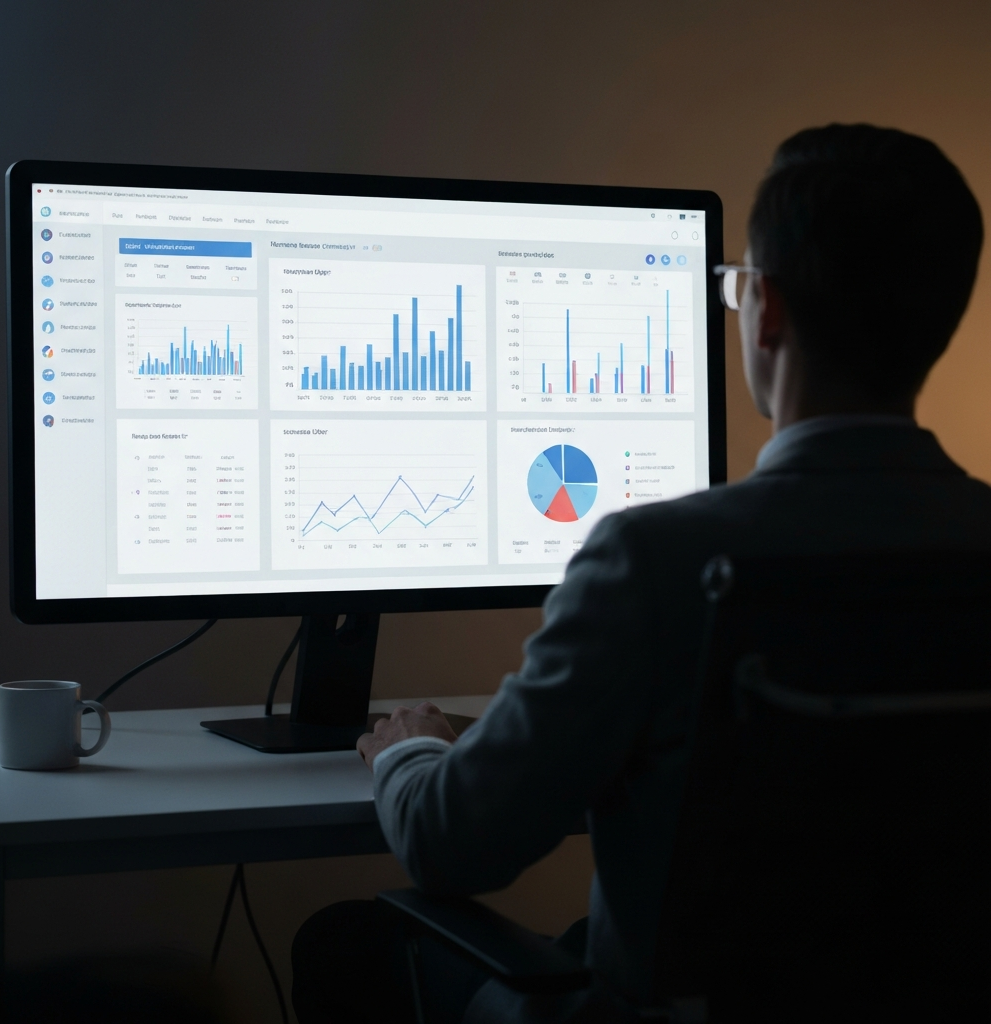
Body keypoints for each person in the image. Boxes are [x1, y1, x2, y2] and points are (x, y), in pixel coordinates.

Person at [291, 124, 989, 1023]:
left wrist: (408, 751)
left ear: (766, 310)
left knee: (347, 943)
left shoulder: (656, 560)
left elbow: (450, 844)